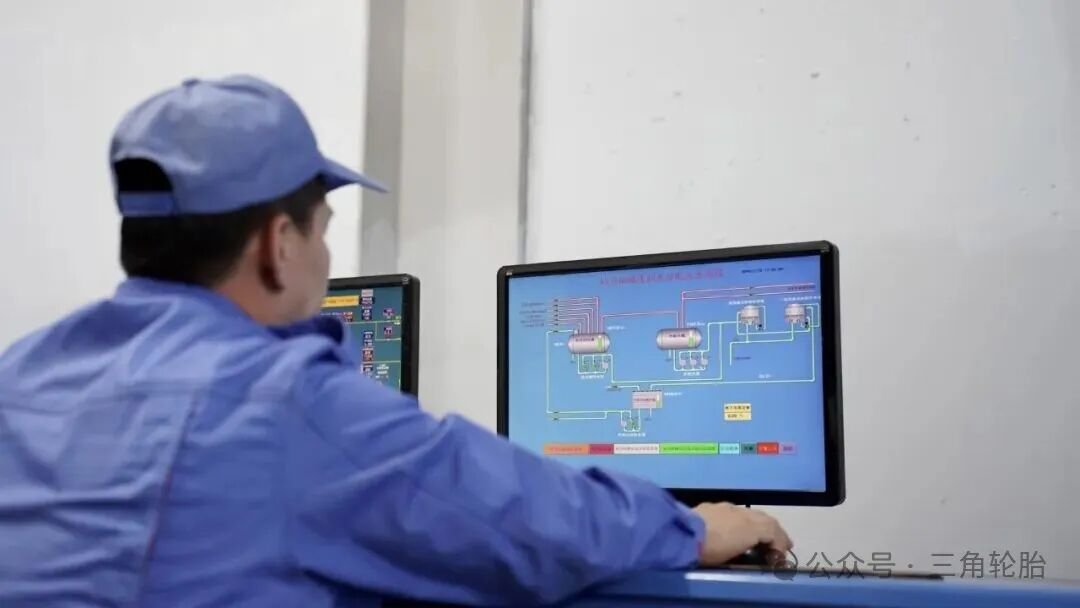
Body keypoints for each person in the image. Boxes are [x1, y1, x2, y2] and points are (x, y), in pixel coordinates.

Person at [0, 75, 792, 607]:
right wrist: (696, 527)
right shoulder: (283, 400)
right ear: (279, 243)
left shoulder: (24, 373)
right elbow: (522, 518)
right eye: (324, 230)